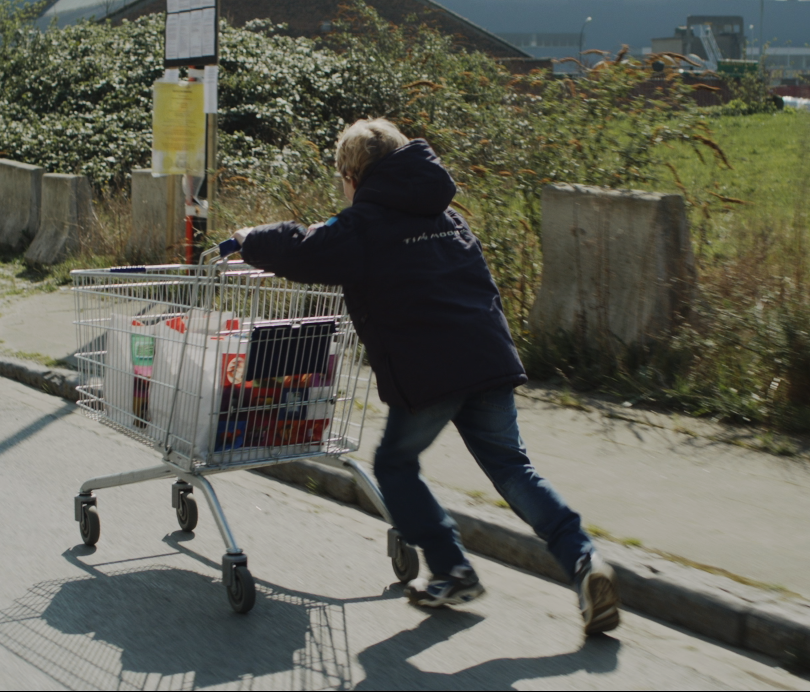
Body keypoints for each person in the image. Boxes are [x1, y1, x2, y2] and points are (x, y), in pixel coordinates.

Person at [231, 118, 620, 635]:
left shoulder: (364, 225)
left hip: (429, 369)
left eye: (342, 178)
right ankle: (583, 561)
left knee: (394, 465)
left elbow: (304, 249)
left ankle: (451, 568)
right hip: (487, 358)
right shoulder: (446, 216)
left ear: (354, 176)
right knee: (513, 469)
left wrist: (247, 239)